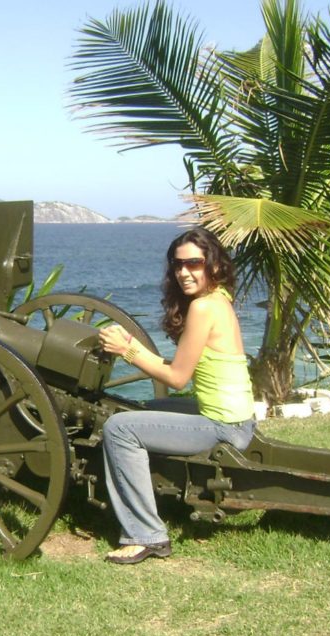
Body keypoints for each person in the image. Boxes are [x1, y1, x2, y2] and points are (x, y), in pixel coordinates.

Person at [97, 227, 256, 564]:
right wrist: (133, 346)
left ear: (213, 264)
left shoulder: (203, 308)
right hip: (237, 418)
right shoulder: (219, 298)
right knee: (142, 409)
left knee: (119, 428)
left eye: (193, 264)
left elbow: (178, 377)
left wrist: (126, 352)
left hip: (223, 425)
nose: (183, 272)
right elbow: (180, 364)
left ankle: (146, 535)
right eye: (177, 265)